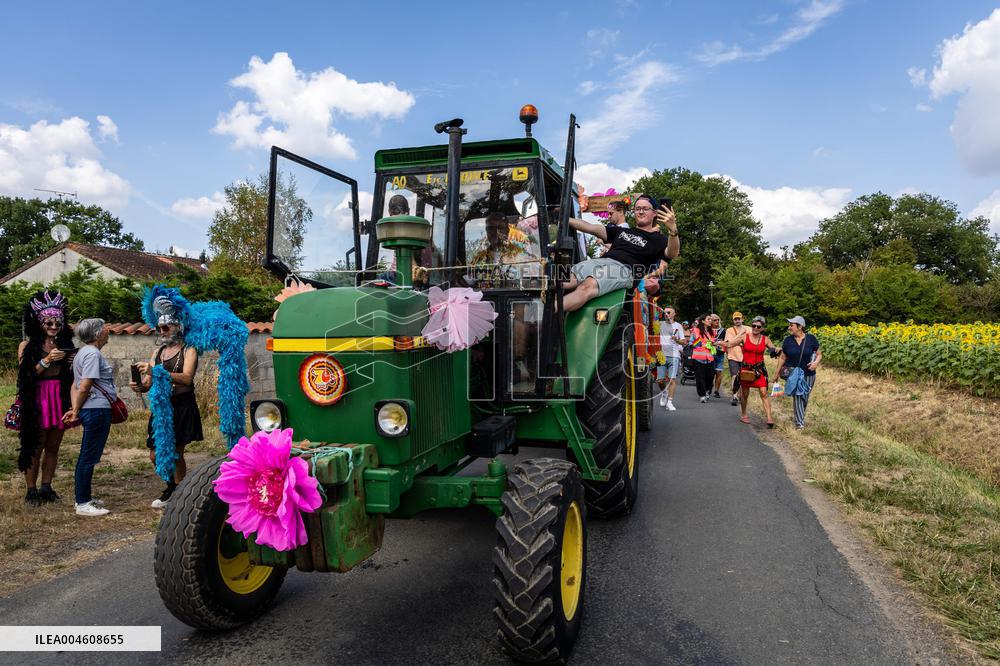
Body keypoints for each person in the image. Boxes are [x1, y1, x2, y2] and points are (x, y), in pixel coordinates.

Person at [131, 316, 202, 509]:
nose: (161, 331)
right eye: (158, 328)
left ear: (178, 327)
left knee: (176, 452)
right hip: (162, 406)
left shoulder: (189, 349)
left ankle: (181, 491)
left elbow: (187, 378)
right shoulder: (158, 352)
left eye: (165, 327)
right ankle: (172, 487)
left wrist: (155, 372)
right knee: (155, 454)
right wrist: (140, 386)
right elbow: (148, 383)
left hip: (182, 404)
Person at [563, 195, 680, 311]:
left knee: (587, 286)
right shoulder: (621, 231)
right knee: (564, 279)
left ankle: (547, 320)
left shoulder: (659, 240)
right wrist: (563, 218)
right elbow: (590, 227)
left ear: (655, 213)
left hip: (625, 269)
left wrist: (672, 230)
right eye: (637, 209)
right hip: (601, 262)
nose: (640, 212)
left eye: (645, 208)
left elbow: (672, 253)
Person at [15, 290, 77, 506]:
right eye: (48, 323)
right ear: (38, 323)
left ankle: (46, 487)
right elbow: (25, 377)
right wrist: (47, 360)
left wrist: (71, 362)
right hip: (38, 399)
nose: (53, 327)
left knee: (53, 446)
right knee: (35, 446)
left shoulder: (64, 344)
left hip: (58, 398)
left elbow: (71, 376)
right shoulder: (27, 346)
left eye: (57, 323)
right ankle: (31, 491)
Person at [62, 318, 115, 517]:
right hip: (96, 410)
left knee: (89, 455)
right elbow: (84, 385)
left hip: (91, 409)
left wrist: (75, 408)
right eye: (105, 328)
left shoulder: (82, 353)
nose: (108, 330)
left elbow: (74, 385)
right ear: (98, 333)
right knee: (88, 456)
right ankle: (83, 502)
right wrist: (75, 410)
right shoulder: (93, 354)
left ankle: (85, 497)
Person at [775, 316, 822, 430]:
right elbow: (782, 357)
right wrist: (776, 373)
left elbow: (819, 354)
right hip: (793, 374)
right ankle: (799, 423)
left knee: (804, 397)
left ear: (800, 327)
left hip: (809, 373)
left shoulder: (811, 339)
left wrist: (815, 363)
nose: (789, 327)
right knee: (798, 396)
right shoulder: (788, 340)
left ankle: (799, 415)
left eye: (792, 325)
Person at [732, 316, 778, 427]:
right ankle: (743, 414)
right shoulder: (744, 337)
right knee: (745, 393)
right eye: (754, 326)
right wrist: (720, 343)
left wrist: (776, 350)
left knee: (763, 393)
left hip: (759, 369)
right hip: (746, 369)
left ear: (762, 328)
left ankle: (769, 418)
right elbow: (730, 344)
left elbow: (773, 348)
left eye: (758, 326)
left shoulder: (765, 339)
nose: (755, 328)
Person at [656, 306, 686, 411]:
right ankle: (664, 393)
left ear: (674, 314)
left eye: (669, 312)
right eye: (665, 312)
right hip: (661, 355)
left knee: (672, 380)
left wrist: (676, 339)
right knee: (660, 380)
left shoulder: (678, 326)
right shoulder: (659, 324)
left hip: (674, 356)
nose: (666, 314)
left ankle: (670, 402)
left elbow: (684, 342)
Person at [721, 312, 750, 406]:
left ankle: (741, 394)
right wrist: (741, 335)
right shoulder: (729, 330)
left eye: (739, 319)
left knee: (744, 377)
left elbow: (751, 341)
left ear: (742, 319)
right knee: (734, 376)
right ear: (733, 320)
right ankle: (734, 396)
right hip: (733, 356)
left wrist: (739, 341)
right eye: (735, 319)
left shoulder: (749, 329)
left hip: (745, 357)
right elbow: (729, 342)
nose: (737, 320)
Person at [689, 316, 718, 403]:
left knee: (710, 376)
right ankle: (702, 395)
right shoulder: (696, 330)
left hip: (709, 358)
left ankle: (707, 391)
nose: (710, 321)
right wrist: (700, 345)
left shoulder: (711, 332)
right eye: (708, 319)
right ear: (703, 321)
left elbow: (713, 343)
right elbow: (691, 343)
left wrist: (714, 344)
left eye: (710, 319)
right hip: (698, 358)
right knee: (700, 378)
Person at [709, 314, 725, 398]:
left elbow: (727, 341)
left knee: (719, 372)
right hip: (710, 354)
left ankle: (716, 391)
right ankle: (709, 386)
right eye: (714, 320)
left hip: (720, 354)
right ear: (711, 321)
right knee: (711, 373)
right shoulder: (708, 330)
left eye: (718, 319)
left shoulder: (723, 330)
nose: (717, 321)